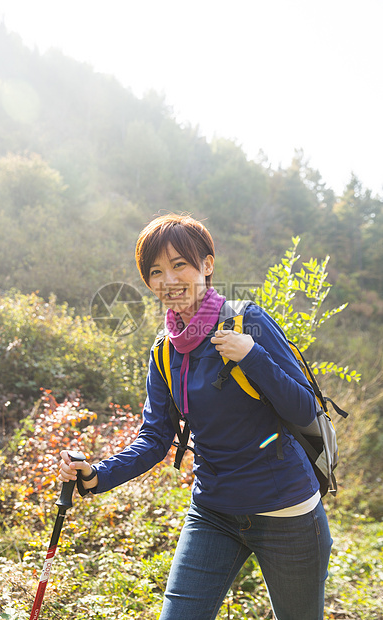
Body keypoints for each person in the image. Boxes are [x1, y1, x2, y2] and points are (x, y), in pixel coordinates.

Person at [59, 213, 332, 620]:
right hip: (213, 510)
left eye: (179, 265)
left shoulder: (248, 322)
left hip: (286, 511)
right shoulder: (164, 352)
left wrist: (252, 356)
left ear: (207, 265)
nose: (168, 280)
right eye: (155, 271)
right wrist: (97, 474)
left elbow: (302, 407)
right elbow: (154, 438)